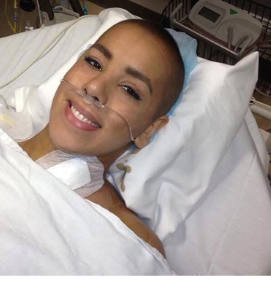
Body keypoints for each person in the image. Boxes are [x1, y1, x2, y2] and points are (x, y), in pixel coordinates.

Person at [18, 20, 185, 255]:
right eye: (94, 62)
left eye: (130, 90)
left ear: (148, 129)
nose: (94, 88)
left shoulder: (131, 243)